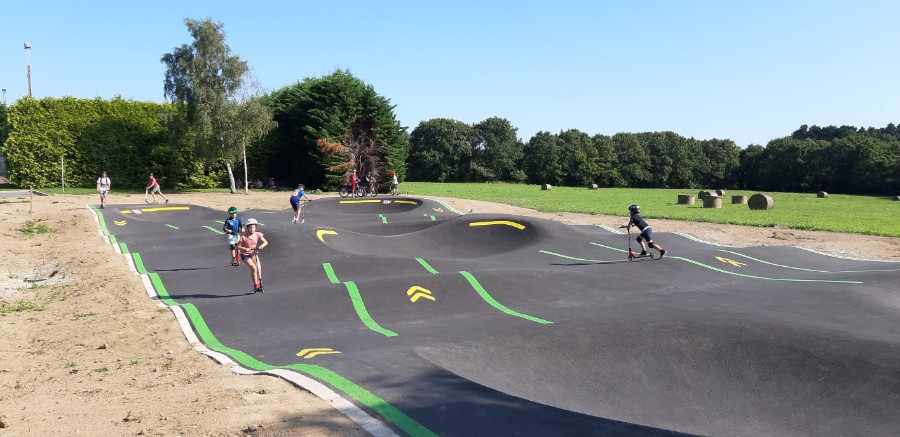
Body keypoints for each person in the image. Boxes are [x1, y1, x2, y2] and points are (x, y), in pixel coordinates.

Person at [236, 218, 268, 293]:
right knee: (253, 267)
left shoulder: (258, 234)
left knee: (257, 269)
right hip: (245, 254)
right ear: (247, 228)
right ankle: (256, 285)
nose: (252, 229)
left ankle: (257, 284)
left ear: (255, 227)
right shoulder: (243, 237)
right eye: (250, 227)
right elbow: (237, 246)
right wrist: (245, 248)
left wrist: (262, 245)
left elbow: (265, 242)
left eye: (253, 227)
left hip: (253, 253)